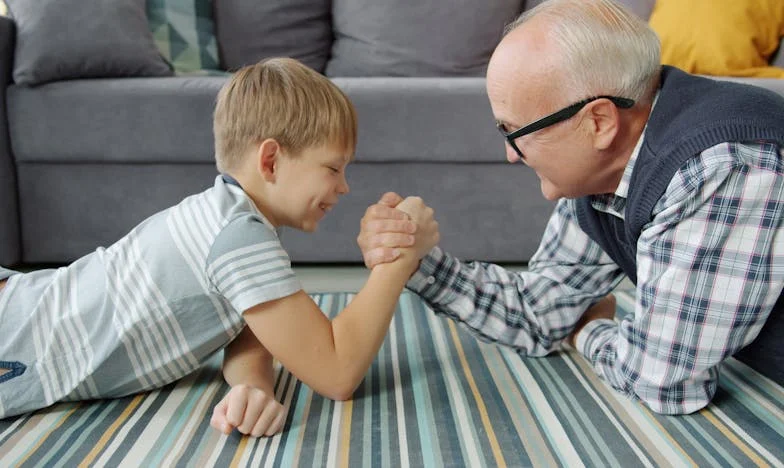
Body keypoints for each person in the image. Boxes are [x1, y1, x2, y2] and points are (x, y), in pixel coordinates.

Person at [357, 0, 784, 415]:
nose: (510, 154)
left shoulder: (720, 167)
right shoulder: (607, 171)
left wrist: (587, 331)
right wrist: (415, 261)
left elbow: (662, 382)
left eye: (514, 131)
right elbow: (541, 311)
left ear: (598, 121)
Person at [0, 58, 439, 437]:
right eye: (332, 168)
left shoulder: (231, 218)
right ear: (270, 160)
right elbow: (338, 373)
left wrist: (252, 387)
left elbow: (249, 326)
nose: (344, 187)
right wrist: (399, 261)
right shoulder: (238, 237)